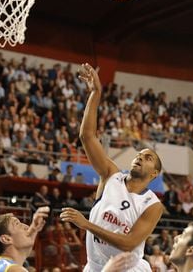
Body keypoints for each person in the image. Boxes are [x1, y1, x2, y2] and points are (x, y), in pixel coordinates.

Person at [60, 63, 164, 272]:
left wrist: (86, 224)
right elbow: (87, 136)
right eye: (138, 154)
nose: (140, 157)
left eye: (148, 157)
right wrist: (96, 93)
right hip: (95, 267)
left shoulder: (152, 205)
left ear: (154, 173)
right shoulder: (111, 175)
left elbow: (128, 243)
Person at [0, 207, 49, 272]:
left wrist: (34, 229)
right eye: (17, 224)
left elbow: (28, 243)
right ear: (6, 239)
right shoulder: (15, 270)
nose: (27, 227)